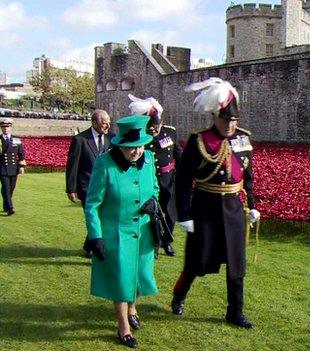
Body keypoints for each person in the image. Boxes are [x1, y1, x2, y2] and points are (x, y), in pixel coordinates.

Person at [171, 78, 260, 329]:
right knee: (196, 262)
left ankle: (235, 311)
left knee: (236, 264)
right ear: (215, 117)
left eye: (234, 120)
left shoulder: (243, 140)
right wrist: (185, 214)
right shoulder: (199, 141)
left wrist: (252, 204)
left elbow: (248, 176)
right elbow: (183, 180)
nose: (230, 125)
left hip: (233, 210)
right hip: (205, 209)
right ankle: (179, 295)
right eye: (225, 119)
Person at [84, 115, 159, 348]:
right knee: (121, 279)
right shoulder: (104, 163)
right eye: (130, 147)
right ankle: (123, 326)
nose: (136, 151)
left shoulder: (148, 159)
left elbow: (154, 187)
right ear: (120, 145)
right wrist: (95, 235)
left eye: (139, 146)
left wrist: (153, 202)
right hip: (116, 232)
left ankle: (133, 307)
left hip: (144, 231)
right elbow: (92, 204)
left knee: (139, 276)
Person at [128, 94, 181, 256]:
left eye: (156, 127)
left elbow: (178, 154)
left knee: (170, 214)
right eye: (150, 127)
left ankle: (167, 242)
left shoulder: (170, 133)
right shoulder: (141, 138)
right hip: (149, 180)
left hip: (168, 179)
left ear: (161, 123)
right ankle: (154, 242)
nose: (153, 130)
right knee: (152, 213)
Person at [65, 109, 111, 257]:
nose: (107, 126)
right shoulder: (80, 140)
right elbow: (73, 165)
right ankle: (92, 247)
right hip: (86, 186)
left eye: (109, 123)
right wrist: (71, 189)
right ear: (94, 123)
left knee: (102, 215)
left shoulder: (110, 139)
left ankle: (88, 245)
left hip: (105, 186)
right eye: (104, 123)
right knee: (94, 215)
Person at [0, 118, 26, 215]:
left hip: (13, 167)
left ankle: (5, 205)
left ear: (10, 128)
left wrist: (21, 166)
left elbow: (21, 154)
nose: (5, 129)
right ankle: (10, 208)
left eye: (7, 127)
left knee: (11, 188)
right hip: (2, 168)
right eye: (3, 127)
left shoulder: (16, 140)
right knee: (6, 188)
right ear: (1, 128)